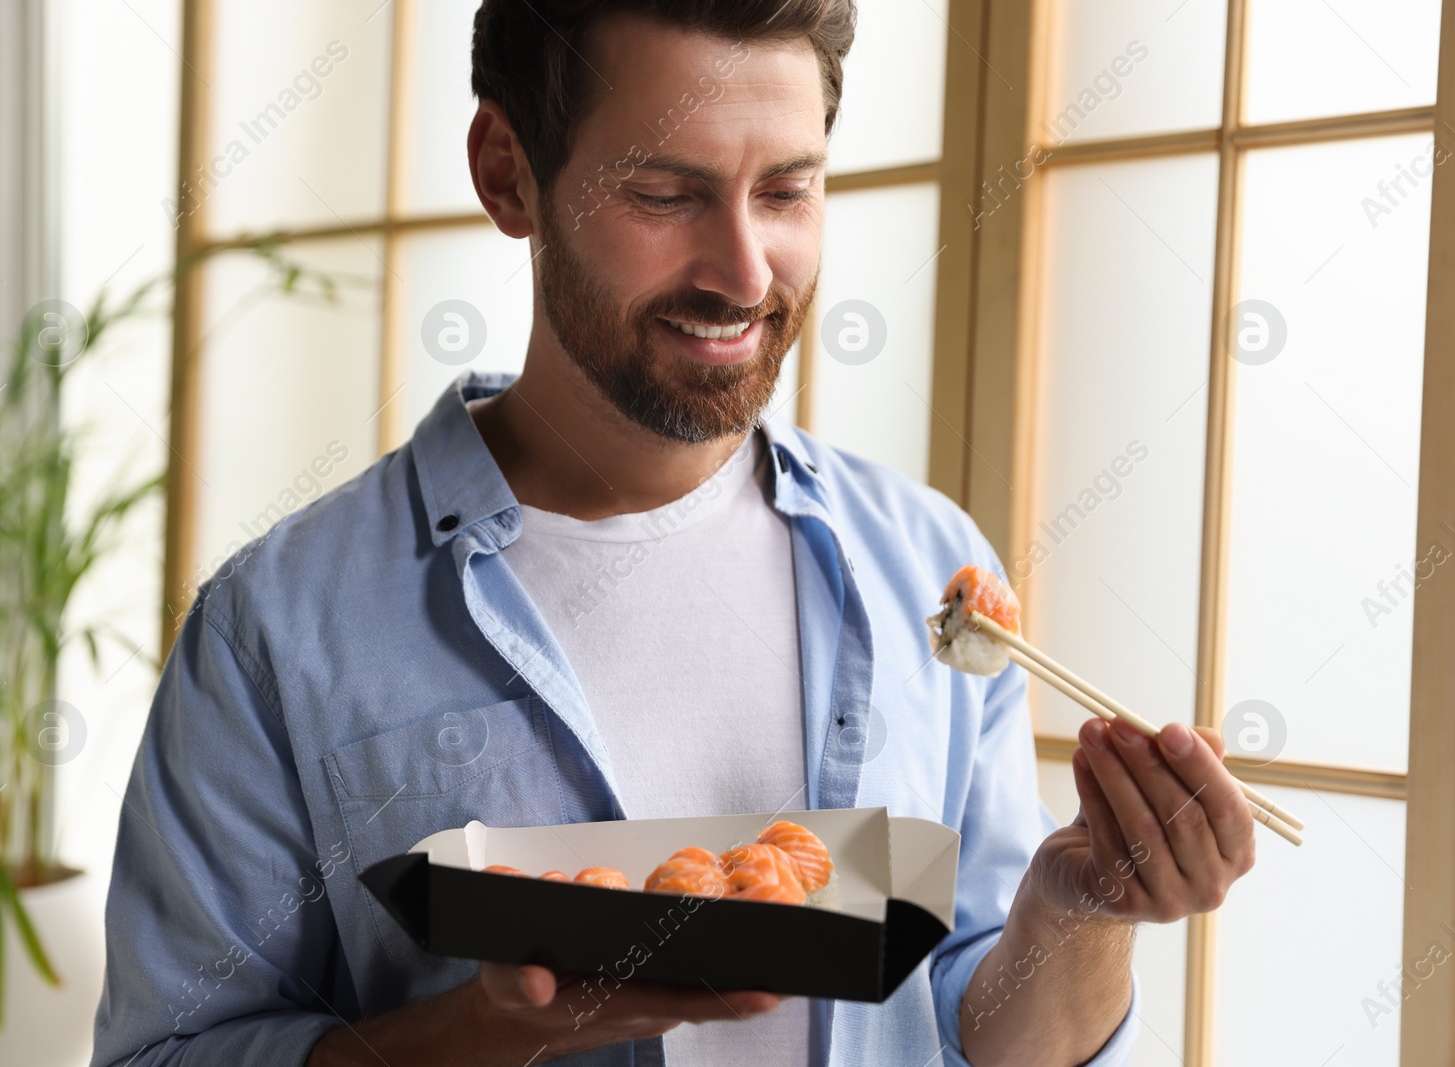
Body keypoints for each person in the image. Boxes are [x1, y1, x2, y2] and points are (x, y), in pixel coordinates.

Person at [92, 2, 1258, 1064]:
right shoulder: (278, 623)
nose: (744, 271)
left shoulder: (928, 565)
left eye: (788, 191)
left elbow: (983, 1028)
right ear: (507, 173)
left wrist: (1082, 911)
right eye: (666, 194)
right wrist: (479, 1033)